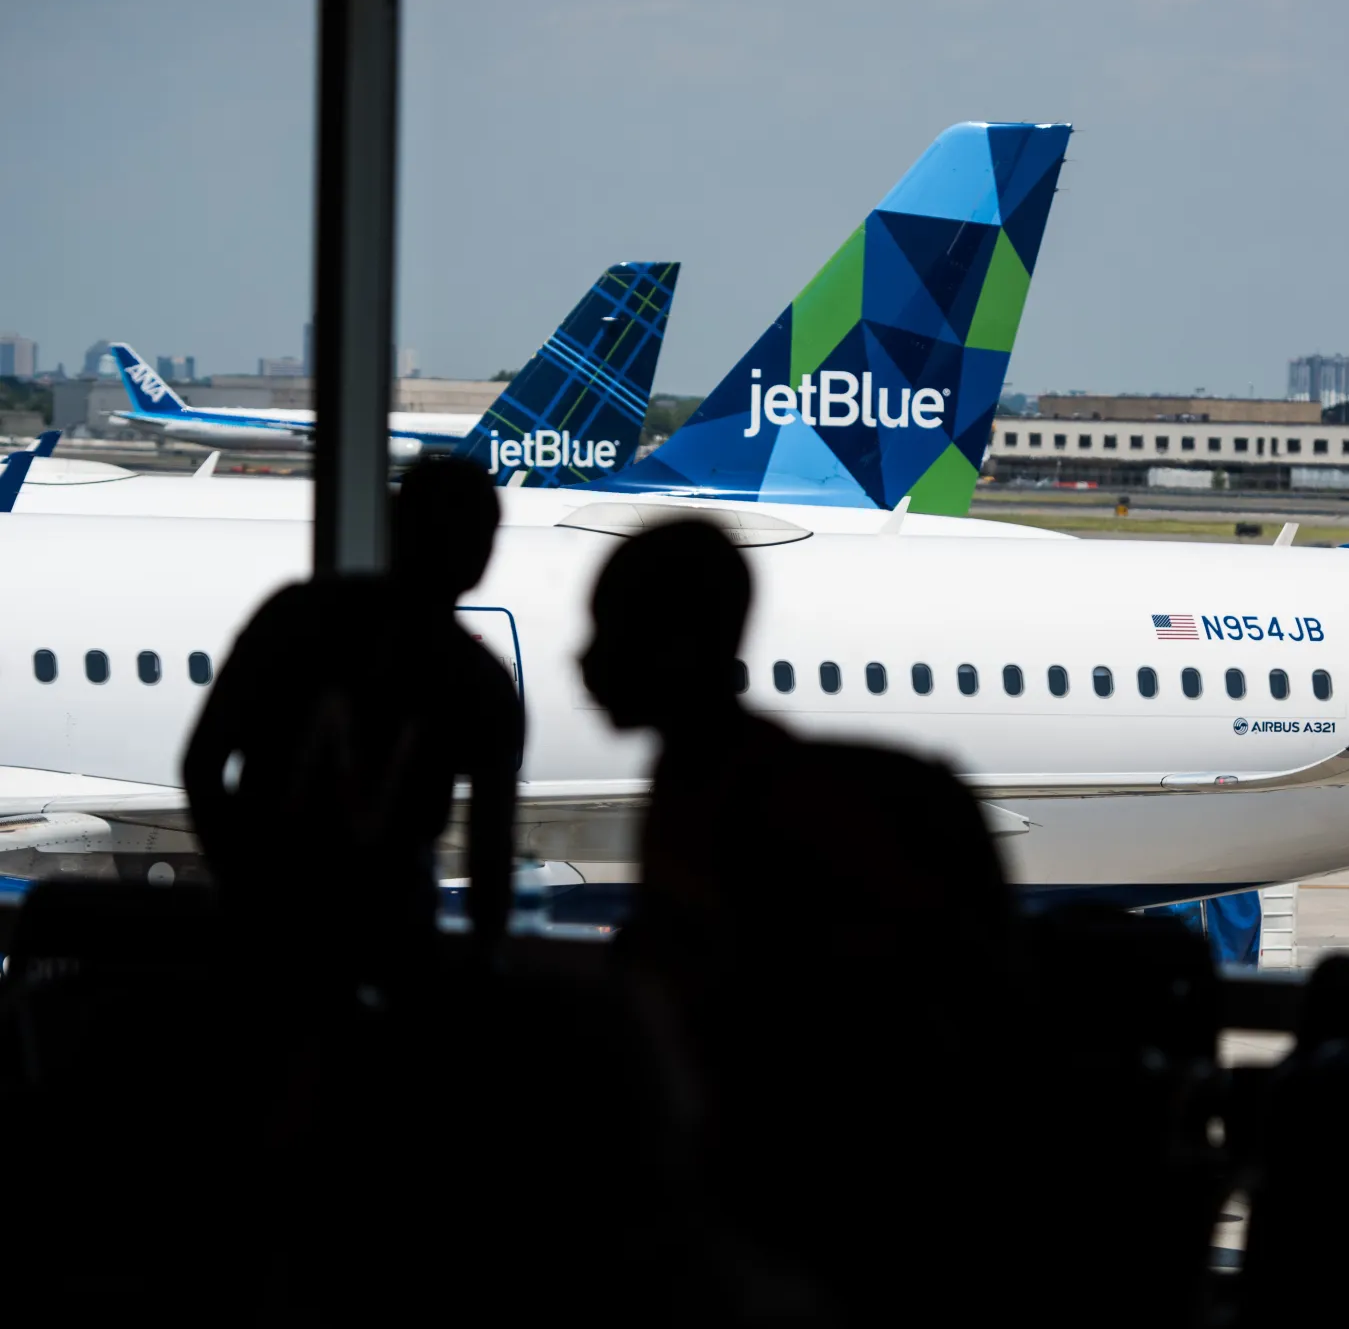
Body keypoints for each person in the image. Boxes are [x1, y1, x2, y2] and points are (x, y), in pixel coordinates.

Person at [582, 518, 1022, 1326]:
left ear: (678, 644)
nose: (584, 657)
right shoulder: (707, 785)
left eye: (610, 629)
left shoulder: (761, 807)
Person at [183, 456, 522, 994]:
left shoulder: (292, 616)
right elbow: (490, 851)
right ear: (483, 556)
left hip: (267, 928)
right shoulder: (478, 681)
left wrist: (240, 882)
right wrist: (483, 961)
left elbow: (202, 764)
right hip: (391, 936)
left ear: (393, 528)